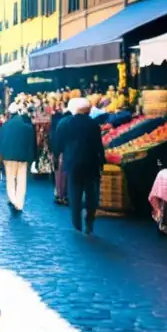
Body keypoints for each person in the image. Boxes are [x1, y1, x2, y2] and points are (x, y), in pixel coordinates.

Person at [58, 97, 106, 234]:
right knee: (92, 194)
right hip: (91, 163)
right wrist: (102, 161)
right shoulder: (93, 124)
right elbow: (98, 145)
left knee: (75, 193)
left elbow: (59, 143)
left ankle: (76, 223)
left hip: (73, 163)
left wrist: (60, 156)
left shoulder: (65, 123)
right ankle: (89, 219)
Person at [0, 104, 36, 213]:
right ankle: (19, 203)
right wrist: (32, 158)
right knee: (21, 180)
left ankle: (12, 199)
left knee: (10, 179)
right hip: (22, 157)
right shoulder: (27, 127)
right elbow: (31, 144)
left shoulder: (4, 126)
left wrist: (1, 154)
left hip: (8, 157)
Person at [49, 99, 71, 206]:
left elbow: (55, 138)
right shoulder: (70, 120)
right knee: (65, 175)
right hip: (68, 151)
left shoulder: (59, 122)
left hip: (60, 151)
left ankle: (59, 195)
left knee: (60, 174)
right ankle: (65, 195)